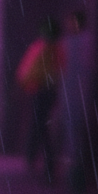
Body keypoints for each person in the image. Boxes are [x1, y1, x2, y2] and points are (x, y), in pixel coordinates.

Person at [16, 16, 65, 183]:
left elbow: (30, 70)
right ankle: (39, 161)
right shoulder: (58, 49)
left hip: (40, 90)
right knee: (41, 126)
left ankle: (42, 164)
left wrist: (25, 82)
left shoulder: (43, 48)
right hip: (48, 91)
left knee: (40, 127)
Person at [60, 9, 93, 193]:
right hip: (77, 95)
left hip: (74, 96)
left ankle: (75, 176)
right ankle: (75, 175)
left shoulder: (72, 43)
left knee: (73, 136)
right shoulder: (85, 41)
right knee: (74, 135)